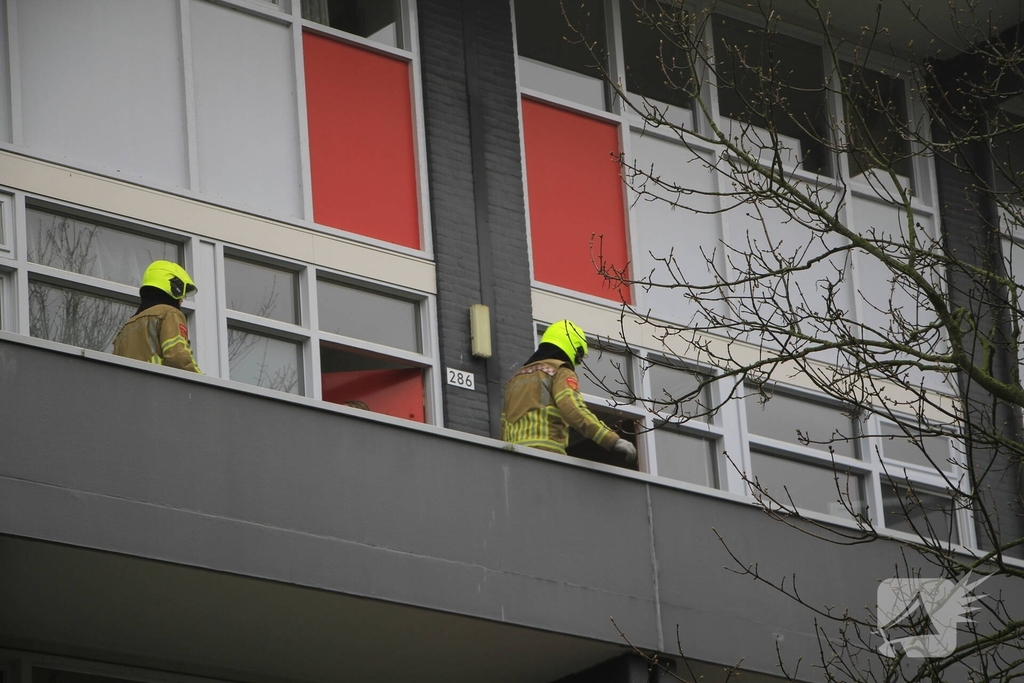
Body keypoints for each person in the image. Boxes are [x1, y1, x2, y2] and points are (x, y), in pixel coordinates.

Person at [502, 319, 637, 463]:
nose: (576, 363)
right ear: (574, 348)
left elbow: (504, 425)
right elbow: (573, 410)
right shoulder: (559, 371)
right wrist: (612, 440)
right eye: (579, 358)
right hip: (546, 456)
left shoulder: (514, 380)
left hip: (514, 458)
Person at [113, 260, 201, 373]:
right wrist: (205, 384)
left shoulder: (125, 329)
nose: (182, 301)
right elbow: (178, 358)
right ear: (174, 287)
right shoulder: (169, 313)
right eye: (181, 295)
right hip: (156, 386)